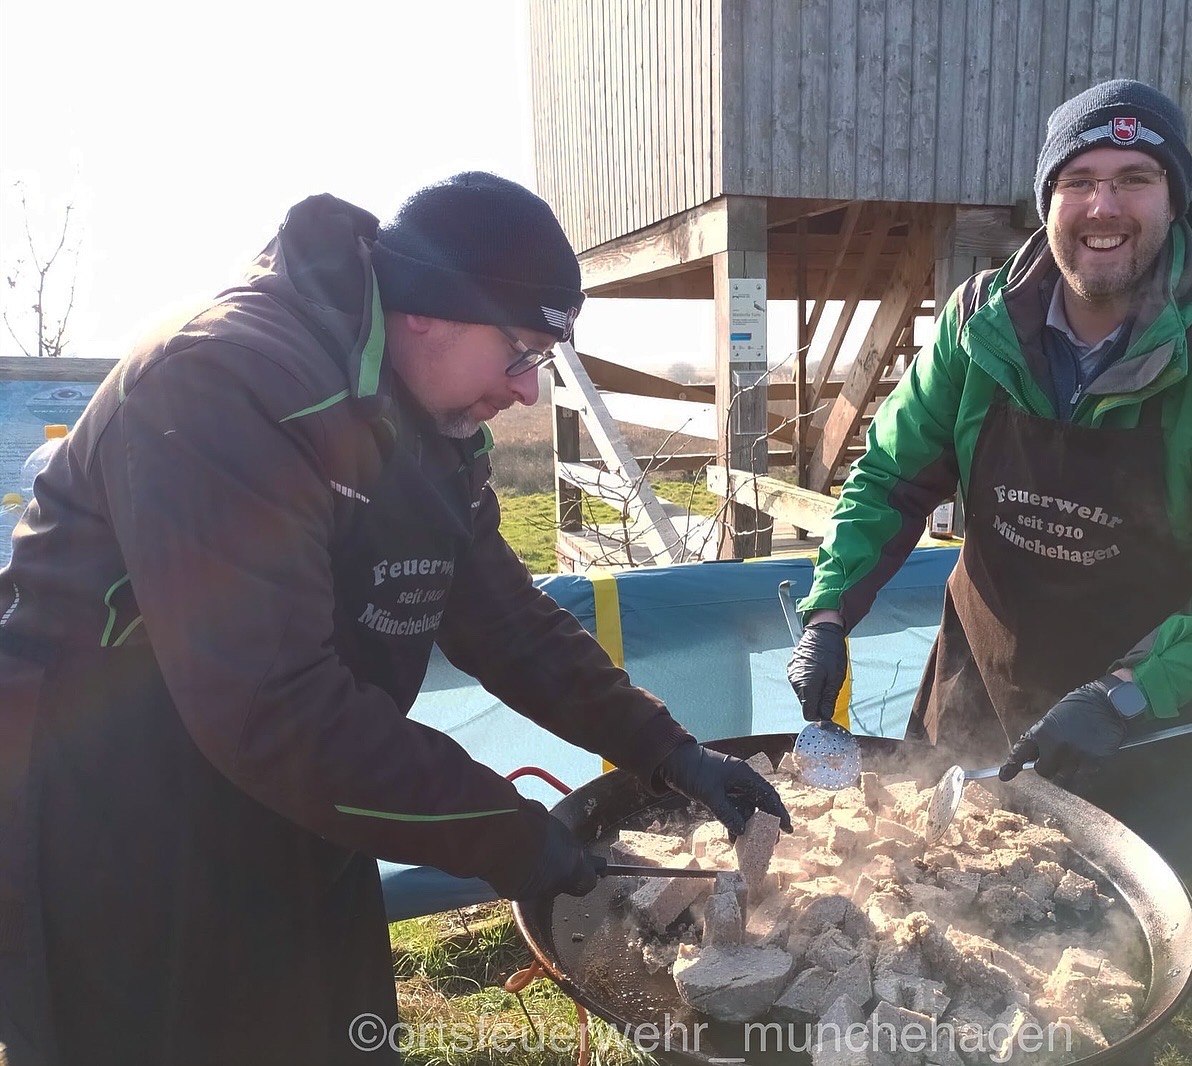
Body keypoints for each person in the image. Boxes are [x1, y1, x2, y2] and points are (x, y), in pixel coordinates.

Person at [0, 172, 790, 1066]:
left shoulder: (427, 422)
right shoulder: (225, 382)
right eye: (522, 352)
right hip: (117, 828)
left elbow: (503, 620)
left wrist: (666, 749)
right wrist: (512, 835)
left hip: (289, 800)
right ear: (432, 312)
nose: (528, 392)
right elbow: (270, 706)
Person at [786, 79, 1192, 907]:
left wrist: (1126, 694)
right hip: (975, 695)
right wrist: (829, 614)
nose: (1102, 206)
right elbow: (890, 479)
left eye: (1134, 179)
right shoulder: (981, 322)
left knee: (1101, 977)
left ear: (1176, 200)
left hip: (1145, 727)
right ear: (1047, 200)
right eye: (1078, 181)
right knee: (925, 918)